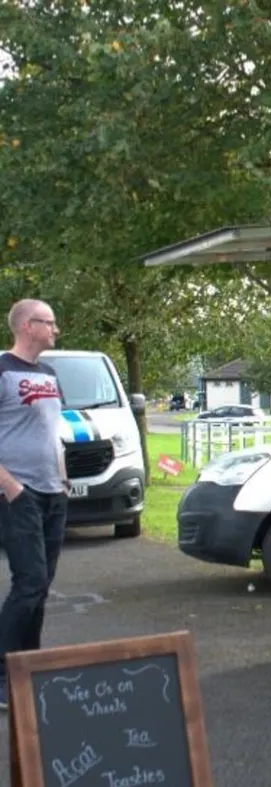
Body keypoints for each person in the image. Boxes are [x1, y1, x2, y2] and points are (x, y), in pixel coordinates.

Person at [0, 299, 68, 707]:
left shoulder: (49, 373)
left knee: (40, 586)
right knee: (28, 583)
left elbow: (52, 430)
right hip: (17, 493)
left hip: (52, 492)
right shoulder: (2, 369)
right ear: (28, 326)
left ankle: (29, 668)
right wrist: (9, 485)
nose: (55, 329)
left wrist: (62, 481)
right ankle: (4, 672)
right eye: (49, 322)